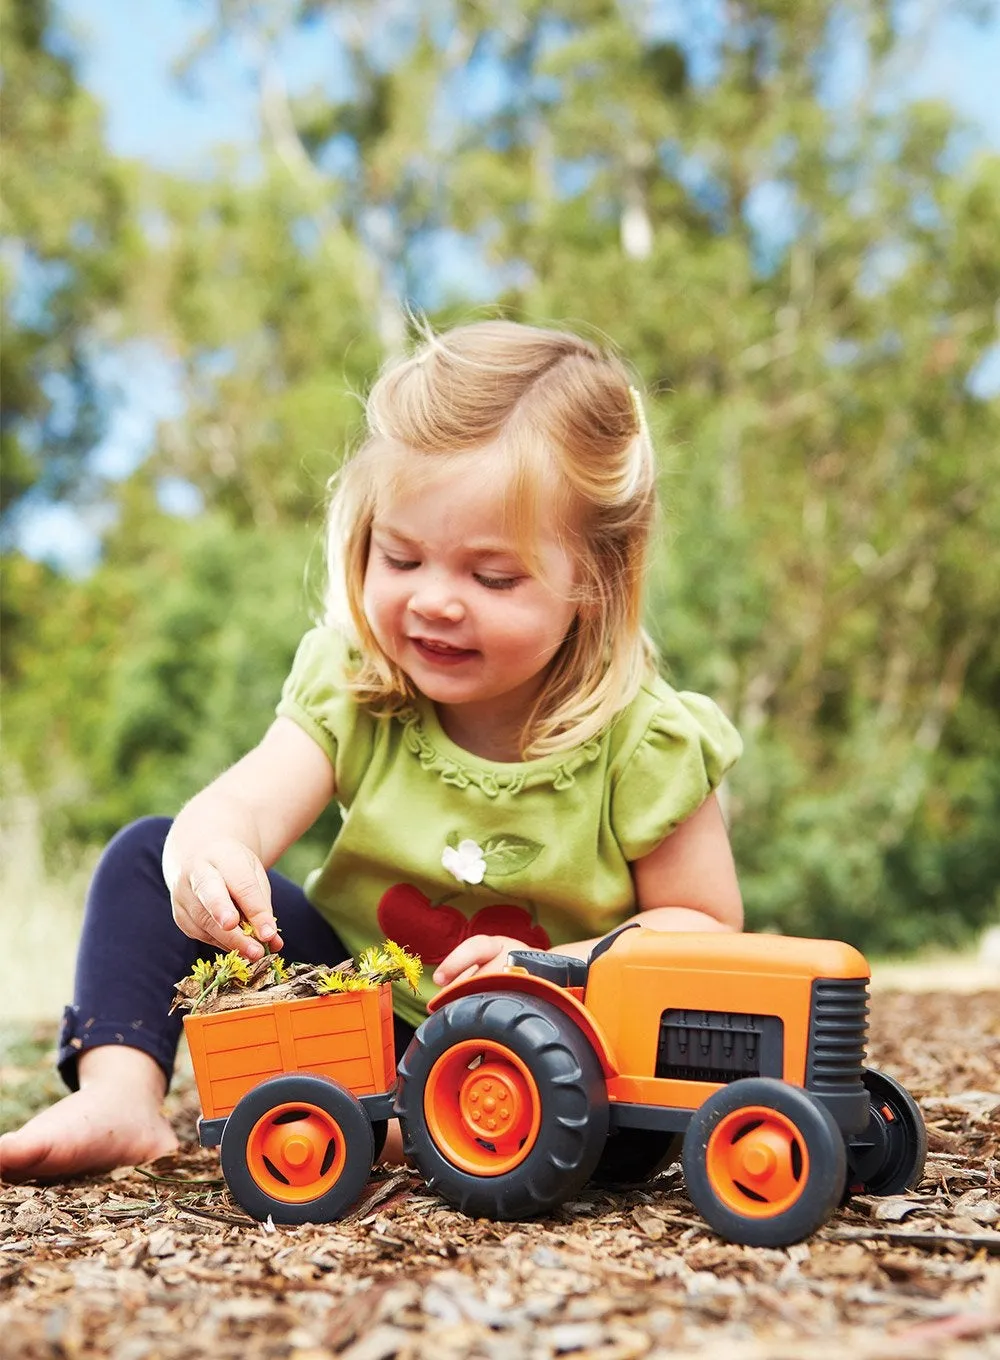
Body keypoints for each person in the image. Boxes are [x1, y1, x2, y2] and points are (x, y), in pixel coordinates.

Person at [0, 320, 743, 1184]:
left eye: (492, 577)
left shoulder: (643, 738)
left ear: (595, 580)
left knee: (627, 1118)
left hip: (553, 1049)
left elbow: (706, 925)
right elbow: (246, 802)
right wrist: (212, 859)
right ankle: (123, 1096)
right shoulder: (359, 686)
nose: (435, 601)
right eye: (402, 556)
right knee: (147, 856)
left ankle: (409, 1126)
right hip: (359, 1011)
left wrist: (554, 969)